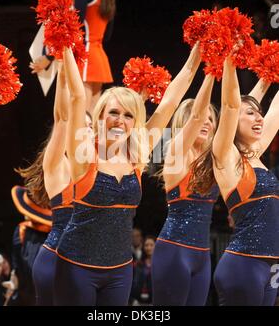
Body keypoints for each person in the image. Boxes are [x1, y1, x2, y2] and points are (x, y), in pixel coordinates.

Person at [54, 42, 202, 306]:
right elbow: (77, 97)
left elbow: (169, 103)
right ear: (100, 116)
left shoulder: (138, 155)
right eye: (113, 112)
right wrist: (65, 43)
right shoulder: (83, 154)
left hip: (120, 271)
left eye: (128, 115)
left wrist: (200, 51)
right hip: (76, 266)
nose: (120, 120)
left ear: (135, 123)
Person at [200, 57, 279, 306]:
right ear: (233, 121)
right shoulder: (225, 155)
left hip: (272, 268)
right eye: (251, 113)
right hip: (244, 265)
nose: (259, 118)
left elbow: (277, 109)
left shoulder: (254, 154)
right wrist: (229, 59)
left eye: (259, 113)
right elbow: (231, 104)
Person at [151, 74, 219, 306]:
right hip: (174, 252)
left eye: (212, 118)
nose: (207, 121)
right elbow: (198, 115)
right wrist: (213, 68)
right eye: (201, 117)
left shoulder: (214, 161)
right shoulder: (175, 153)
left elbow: (232, 115)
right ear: (185, 122)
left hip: (202, 256)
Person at [32, 61, 92, 306]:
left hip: (89, 263)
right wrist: (64, 67)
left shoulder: (97, 169)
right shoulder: (58, 164)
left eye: (91, 127)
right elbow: (62, 118)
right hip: (56, 260)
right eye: (83, 126)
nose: (88, 131)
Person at [130, 235, 156, 306]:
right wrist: (132, 300)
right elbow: (133, 283)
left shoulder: (160, 265)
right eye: (146, 245)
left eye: (151, 245)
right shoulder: (138, 264)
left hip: (154, 302)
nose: (149, 248)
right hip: (137, 301)